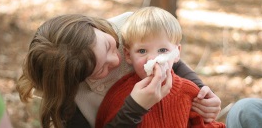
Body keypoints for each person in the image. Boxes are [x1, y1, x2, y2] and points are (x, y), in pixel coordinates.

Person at [16, 12, 221, 128]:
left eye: (108, 46)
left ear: (94, 26)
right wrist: (135, 107)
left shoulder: (128, 27)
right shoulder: (69, 102)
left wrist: (202, 91)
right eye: (101, 68)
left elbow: (170, 59)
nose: (116, 60)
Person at [96, 7, 225, 128]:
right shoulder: (119, 95)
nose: (152, 58)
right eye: (142, 51)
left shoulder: (190, 92)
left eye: (163, 50)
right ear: (128, 55)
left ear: (176, 53)